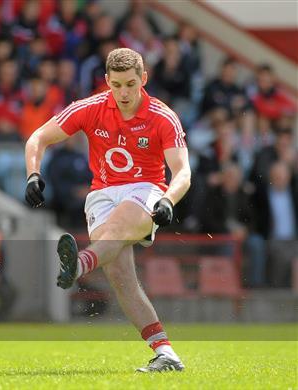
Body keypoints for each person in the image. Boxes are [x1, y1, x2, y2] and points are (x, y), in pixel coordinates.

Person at [24, 48, 190, 372]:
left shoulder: (162, 116)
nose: (124, 93)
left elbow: (182, 170)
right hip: (102, 193)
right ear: (107, 82)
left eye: (130, 84)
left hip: (146, 190)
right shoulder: (91, 108)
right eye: (117, 85)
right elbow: (38, 138)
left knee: (114, 233)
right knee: (119, 275)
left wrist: (169, 199)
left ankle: (79, 265)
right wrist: (33, 174)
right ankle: (166, 353)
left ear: (144, 79)